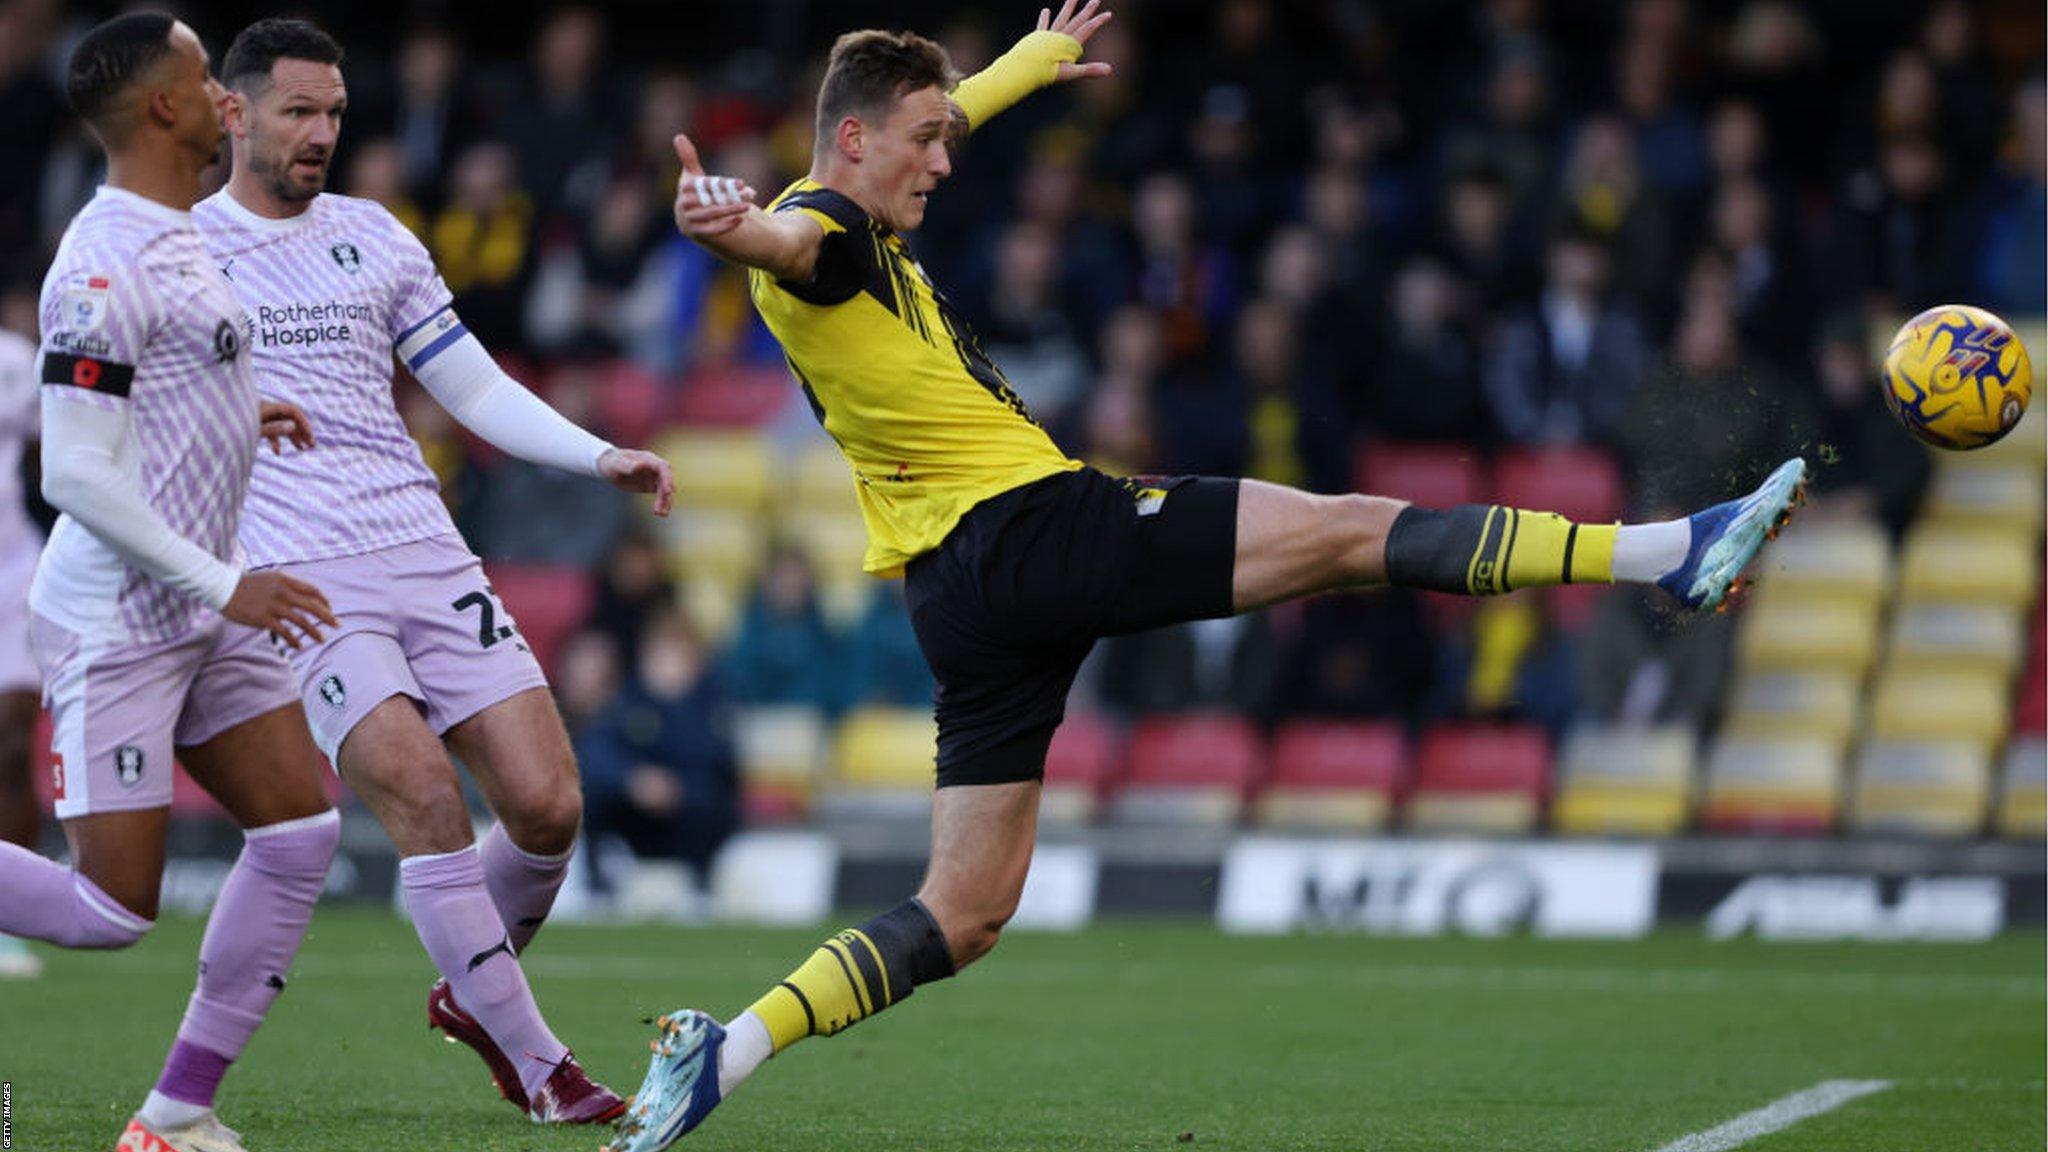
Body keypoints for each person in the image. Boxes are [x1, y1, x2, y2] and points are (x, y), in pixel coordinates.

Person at [609, 4, 1806, 1147]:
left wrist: (1026, 64)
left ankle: (730, 1049)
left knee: (964, 911)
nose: (945, 161)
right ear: (854, 141)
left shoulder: (858, 196)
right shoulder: (821, 232)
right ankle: (1669, 554)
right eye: (923, 142)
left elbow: (935, 123)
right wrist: (731, 221)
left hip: (959, 594)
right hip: (1036, 529)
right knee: (1350, 531)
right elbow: (790, 238)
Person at [192, 18, 676, 1124]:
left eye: (333, 115)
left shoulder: (378, 236)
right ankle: (543, 1063)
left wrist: (597, 452)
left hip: (422, 543)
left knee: (548, 807)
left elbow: (470, 387)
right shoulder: (176, 255)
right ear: (233, 113)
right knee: (418, 791)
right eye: (297, 112)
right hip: (299, 570)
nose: (320, 134)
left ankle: (470, 995)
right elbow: (125, 418)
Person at [0, 15, 342, 1151]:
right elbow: (80, 476)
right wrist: (227, 584)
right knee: (109, 913)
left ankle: (175, 1114)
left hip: (203, 602)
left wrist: (237, 411)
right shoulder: (100, 263)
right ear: (163, 108)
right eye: (205, 78)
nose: (224, 98)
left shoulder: (178, 231)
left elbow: (162, 382)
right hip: (122, 621)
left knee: (299, 831)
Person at [0, 292, 42, 979]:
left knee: (8, 747)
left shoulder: (13, 361)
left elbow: (71, 440)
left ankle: (8, 923)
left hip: (11, 577)